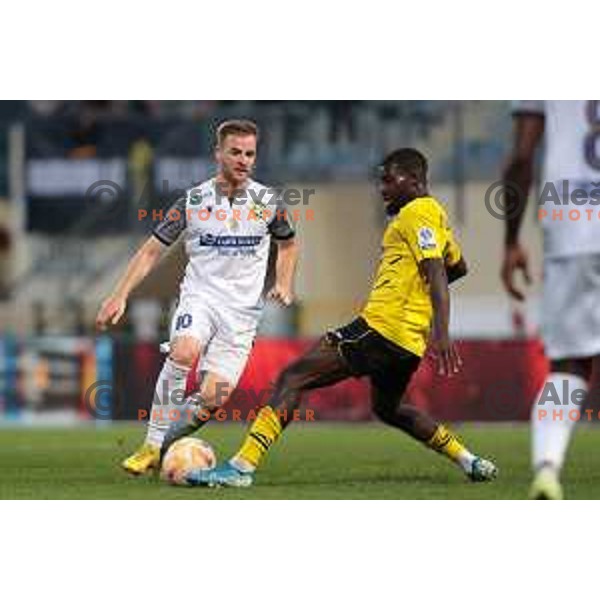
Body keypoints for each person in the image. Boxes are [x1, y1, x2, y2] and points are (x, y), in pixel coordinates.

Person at [173, 147, 498, 488]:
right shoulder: (436, 216)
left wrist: (443, 333)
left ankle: (241, 467)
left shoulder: (418, 211)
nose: (382, 188)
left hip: (381, 328)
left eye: (389, 180)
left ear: (414, 181)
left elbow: (437, 270)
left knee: (292, 378)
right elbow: (456, 267)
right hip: (407, 342)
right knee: (389, 408)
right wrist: (419, 290)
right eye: (380, 180)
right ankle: (469, 460)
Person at [95, 119, 299, 475]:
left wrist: (284, 282)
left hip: (242, 315)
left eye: (250, 153)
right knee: (184, 351)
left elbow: (289, 244)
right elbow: (150, 252)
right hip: (200, 299)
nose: (243, 160)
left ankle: (166, 451)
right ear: (217, 153)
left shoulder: (268, 202)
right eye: (235, 152)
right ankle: (150, 446)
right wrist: (119, 295)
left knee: (211, 399)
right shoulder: (192, 201)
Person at [501, 101, 600, 499]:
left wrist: (510, 242)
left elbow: (522, 157)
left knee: (569, 365)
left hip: (571, 225)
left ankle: (547, 467)